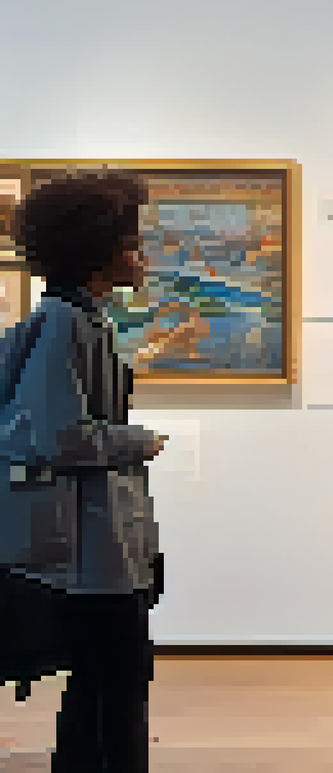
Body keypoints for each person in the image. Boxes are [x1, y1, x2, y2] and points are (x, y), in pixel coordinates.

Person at [5, 172, 167, 772]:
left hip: (95, 549)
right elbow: (56, 438)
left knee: (105, 690)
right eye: (131, 239)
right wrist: (137, 440)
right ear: (97, 251)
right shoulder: (66, 325)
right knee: (112, 693)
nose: (142, 252)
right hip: (87, 557)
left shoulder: (77, 320)